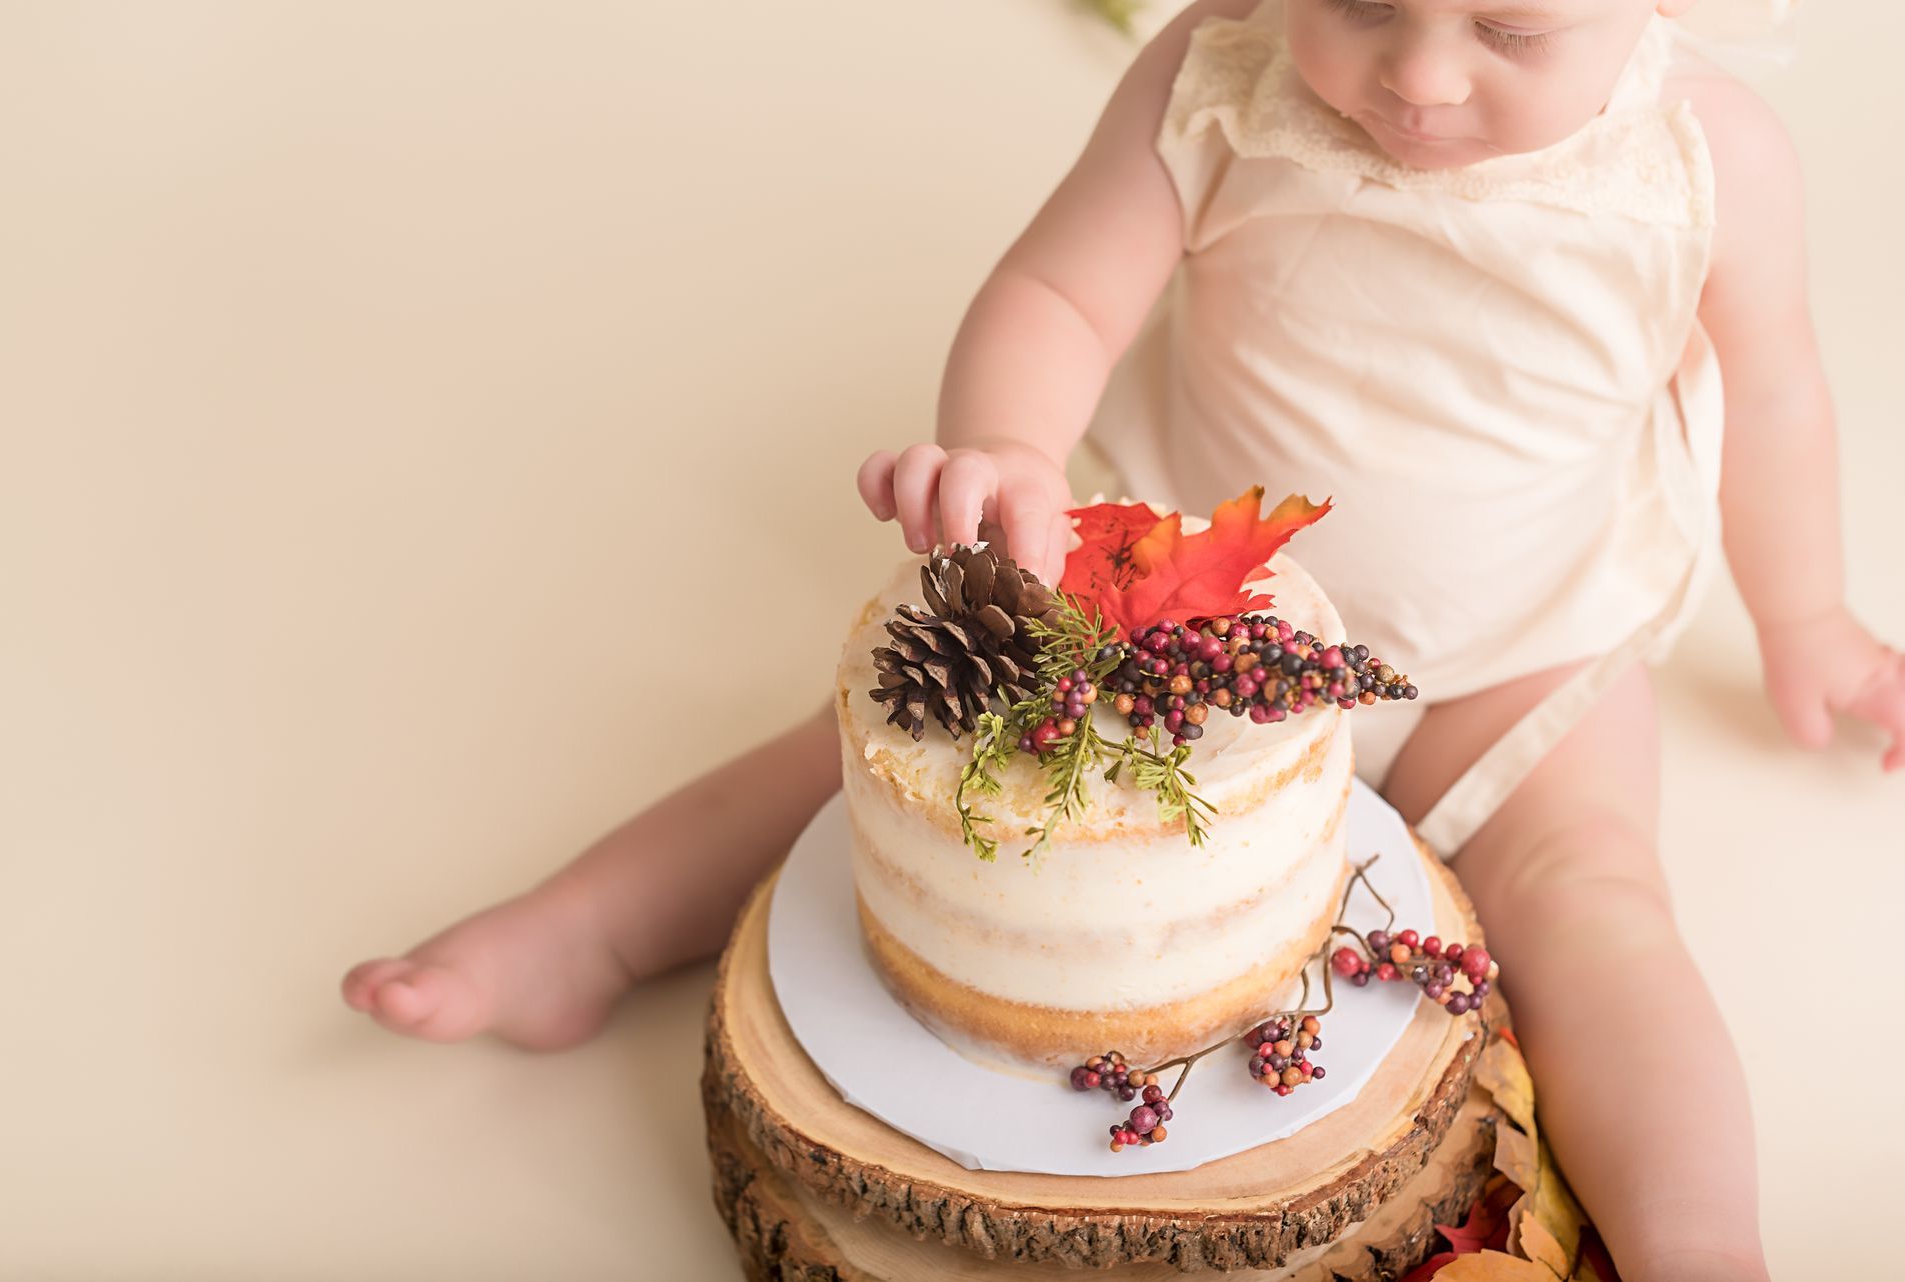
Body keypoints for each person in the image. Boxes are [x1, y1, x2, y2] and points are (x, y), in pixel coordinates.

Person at [344, 4, 1904, 1277]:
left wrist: (1808, 614)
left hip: (1520, 653)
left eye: (1510, 29)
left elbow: (1775, 394)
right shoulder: (1221, 77)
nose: (1421, 77)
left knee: (1600, 905)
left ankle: (1701, 1242)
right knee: (866, 773)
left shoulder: (1703, 159)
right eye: (1361, 1)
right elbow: (1056, 293)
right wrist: (1008, 449)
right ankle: (588, 931)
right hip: (1169, 628)